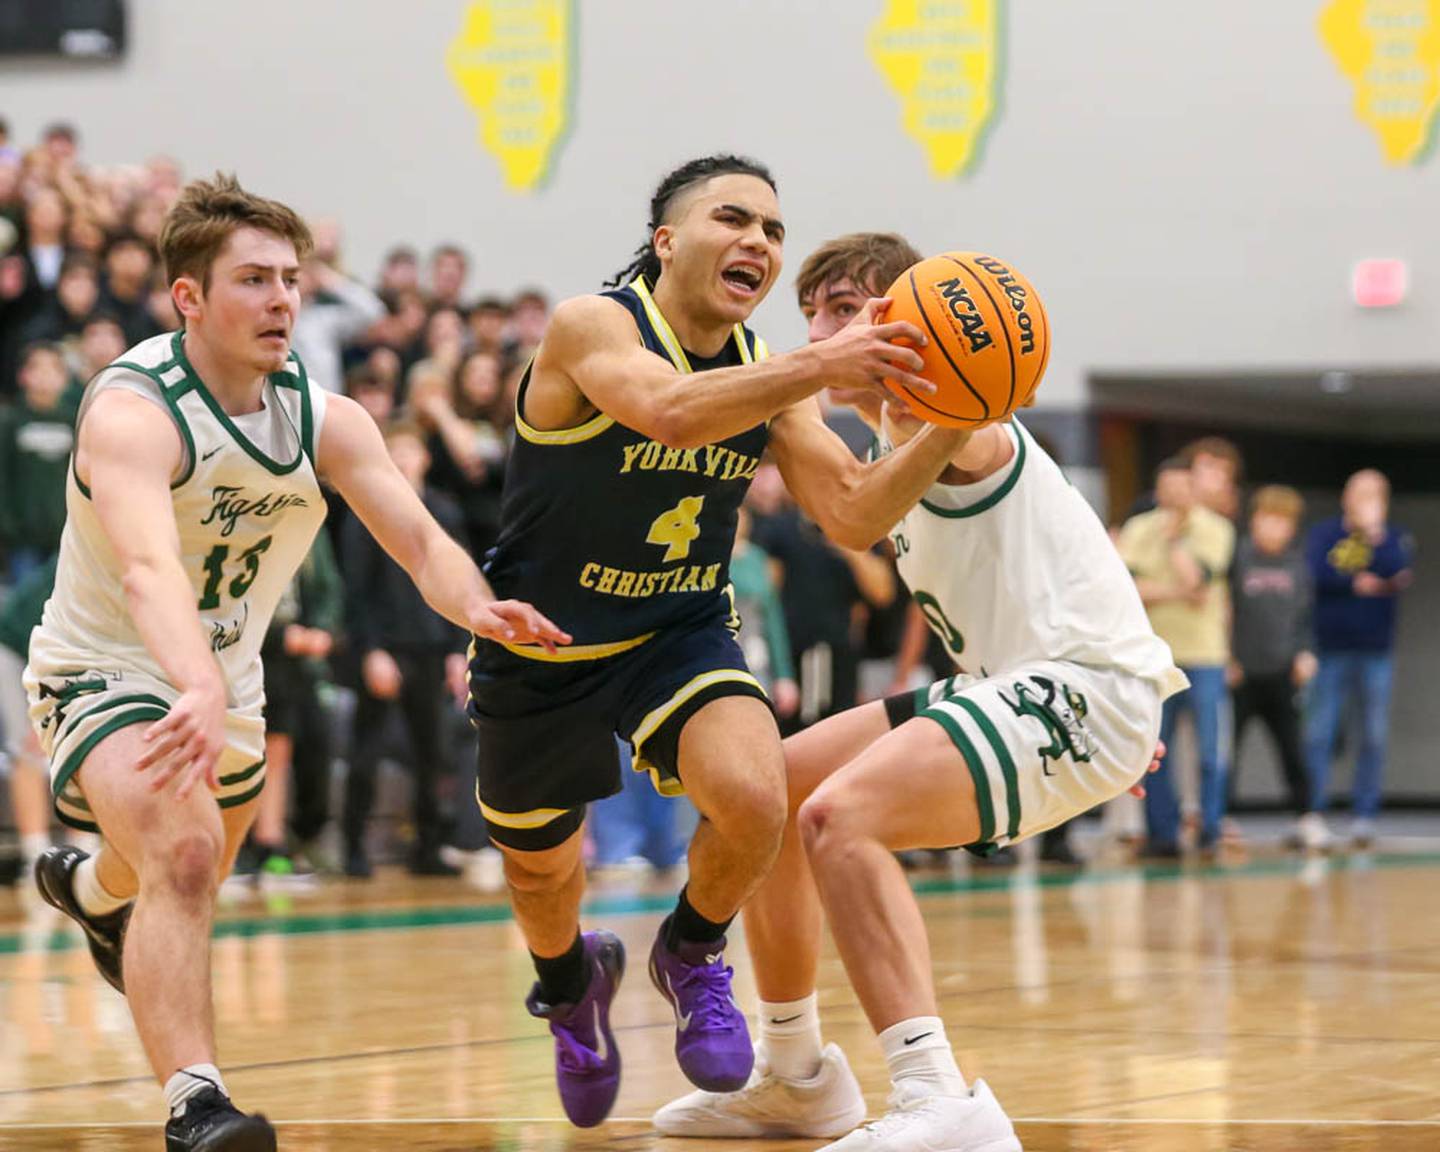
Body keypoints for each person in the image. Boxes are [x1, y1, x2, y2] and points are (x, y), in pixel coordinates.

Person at [24, 173, 566, 1151]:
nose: (283, 300)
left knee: (169, 868)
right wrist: (190, 681)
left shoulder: (327, 418)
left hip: (224, 679)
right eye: (254, 280)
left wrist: (481, 606)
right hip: (104, 666)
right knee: (184, 855)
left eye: (291, 278)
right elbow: (148, 570)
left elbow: (421, 544)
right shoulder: (132, 412)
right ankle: (198, 1108)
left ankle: (90, 894)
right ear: (188, 297)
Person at [468, 156, 970, 1129]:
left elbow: (853, 513)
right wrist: (822, 366)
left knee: (757, 793)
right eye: (733, 219)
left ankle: (691, 949)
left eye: (774, 231)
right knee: (540, 872)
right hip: (545, 638)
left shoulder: (775, 375)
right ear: (666, 241)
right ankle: (571, 986)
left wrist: (951, 421)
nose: (759, 242)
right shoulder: (594, 325)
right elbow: (664, 410)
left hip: (677, 628)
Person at [654, 232, 1182, 1152]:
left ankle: (941, 1100)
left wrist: (1110, 717)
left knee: (839, 818)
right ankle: (798, 1078)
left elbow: (960, 434)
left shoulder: (961, 421)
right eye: (813, 313)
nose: (822, 332)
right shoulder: (893, 437)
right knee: (771, 798)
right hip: (1031, 687)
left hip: (1077, 687)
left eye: (847, 310)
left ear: (912, 321)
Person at [340, 418, 472, 877]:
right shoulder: (367, 514)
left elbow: (460, 578)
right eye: (393, 453)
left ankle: (429, 847)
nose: (402, 460)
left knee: (433, 752)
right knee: (367, 753)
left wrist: (459, 647)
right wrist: (371, 650)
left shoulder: (444, 510)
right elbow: (354, 591)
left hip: (433, 647)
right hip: (385, 648)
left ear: (424, 458)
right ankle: (353, 848)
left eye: (409, 451)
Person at [1118, 458, 1234, 857]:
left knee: (1209, 751)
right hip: (1154, 657)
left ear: (1193, 489)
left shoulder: (1215, 529)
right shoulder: (1138, 528)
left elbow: (1197, 579)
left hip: (1205, 655)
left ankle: (1210, 830)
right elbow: (1130, 589)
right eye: (1166, 488)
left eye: (1182, 488)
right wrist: (1180, 594)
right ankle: (1161, 835)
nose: (1173, 496)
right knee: (1154, 751)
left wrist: (1172, 544)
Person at [1300, 468, 1413, 850]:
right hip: (1329, 647)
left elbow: (1396, 571)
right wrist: (1355, 582)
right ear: (1346, 496)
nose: (1364, 500)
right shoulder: (1326, 534)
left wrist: (1374, 535)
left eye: (1373, 494)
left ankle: (1364, 816)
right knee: (1320, 732)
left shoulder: (1393, 536)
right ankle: (1311, 812)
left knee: (1373, 734)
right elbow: (1316, 574)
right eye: (1358, 492)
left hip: (1375, 649)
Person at [1227, 485, 1315, 841]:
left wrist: (1306, 652)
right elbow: (1224, 609)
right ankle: (1222, 816)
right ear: (1254, 520)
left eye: (1282, 521)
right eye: (1267, 518)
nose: (1273, 528)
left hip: (1282, 671)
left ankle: (1306, 816)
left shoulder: (1297, 566)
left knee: (1293, 748)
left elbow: (1306, 617)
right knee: (1227, 750)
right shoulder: (1239, 559)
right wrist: (1227, 656)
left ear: (1291, 527)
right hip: (1241, 672)